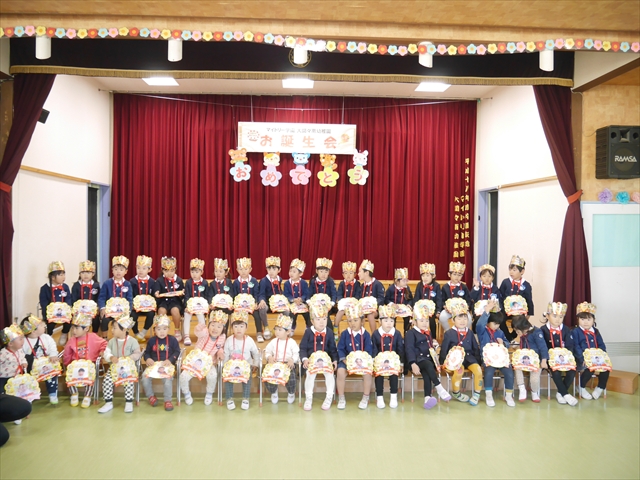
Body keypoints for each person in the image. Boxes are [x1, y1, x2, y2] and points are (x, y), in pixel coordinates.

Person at [405, 301, 451, 409]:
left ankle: (427, 398)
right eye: (421, 320)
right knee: (428, 365)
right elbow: (409, 349)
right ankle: (439, 388)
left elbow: (429, 348)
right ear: (414, 321)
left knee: (427, 374)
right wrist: (412, 363)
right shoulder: (411, 333)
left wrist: (434, 347)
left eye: (426, 320)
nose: (425, 323)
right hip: (416, 360)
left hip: (426, 360)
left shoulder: (428, 332)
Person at [439, 299, 483, 405]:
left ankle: (477, 394)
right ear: (453, 320)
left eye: (465, 318)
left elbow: (475, 348)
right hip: (456, 360)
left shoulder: (470, 333)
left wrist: (479, 362)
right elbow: (444, 349)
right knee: (459, 372)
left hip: (470, 358)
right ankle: (456, 393)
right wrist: (442, 362)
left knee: (478, 371)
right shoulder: (449, 333)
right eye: (459, 318)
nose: (462, 321)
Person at [180, 310, 227, 406]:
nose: (215, 329)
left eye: (219, 327)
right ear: (208, 325)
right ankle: (186, 393)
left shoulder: (222, 337)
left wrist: (220, 353)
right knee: (183, 376)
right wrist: (199, 328)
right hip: (194, 362)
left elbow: (220, 347)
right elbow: (198, 332)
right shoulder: (205, 332)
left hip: (209, 363)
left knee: (213, 375)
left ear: (223, 329)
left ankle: (209, 393)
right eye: (213, 325)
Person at [475, 299, 516, 407]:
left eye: (498, 324)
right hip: (488, 359)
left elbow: (507, 343)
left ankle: (508, 395)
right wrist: (487, 311)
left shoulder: (500, 332)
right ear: (488, 322)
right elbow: (479, 324)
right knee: (488, 372)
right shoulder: (482, 331)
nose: (496, 326)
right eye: (494, 324)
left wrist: (504, 343)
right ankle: (489, 395)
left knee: (509, 372)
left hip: (501, 359)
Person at [98, 316, 142, 414]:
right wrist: (111, 357)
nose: (112, 330)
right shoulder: (111, 342)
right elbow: (106, 353)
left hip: (128, 369)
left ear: (124, 329)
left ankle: (129, 402)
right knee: (107, 381)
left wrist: (129, 358)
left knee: (129, 381)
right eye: (112, 328)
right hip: (114, 369)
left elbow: (137, 354)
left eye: (114, 328)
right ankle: (108, 403)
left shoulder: (133, 341)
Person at [63, 313, 107, 408]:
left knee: (91, 375)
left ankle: (87, 396)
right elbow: (67, 353)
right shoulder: (71, 340)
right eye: (73, 328)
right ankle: (74, 394)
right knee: (70, 374)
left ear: (86, 328)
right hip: (76, 365)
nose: (74, 331)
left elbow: (104, 343)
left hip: (90, 364)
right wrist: (67, 364)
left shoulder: (93, 337)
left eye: (77, 328)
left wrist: (102, 350)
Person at [300, 304, 338, 411]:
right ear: (312, 321)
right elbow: (302, 348)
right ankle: (308, 398)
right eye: (318, 319)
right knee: (310, 374)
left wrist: (334, 360)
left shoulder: (329, 332)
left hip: (326, 362)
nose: (322, 322)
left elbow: (333, 349)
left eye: (324, 319)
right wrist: (305, 359)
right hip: (311, 362)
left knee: (329, 374)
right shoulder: (308, 332)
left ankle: (329, 397)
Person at [540, 302, 578, 406]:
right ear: (547, 316)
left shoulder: (566, 329)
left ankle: (560, 393)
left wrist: (568, 357)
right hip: (550, 359)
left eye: (561, 317)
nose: (558, 319)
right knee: (555, 371)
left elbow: (570, 345)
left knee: (572, 370)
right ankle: (566, 394)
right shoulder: (543, 330)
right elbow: (542, 347)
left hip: (565, 358)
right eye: (554, 316)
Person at [336, 305, 373, 410]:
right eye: (350, 321)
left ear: (362, 321)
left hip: (362, 362)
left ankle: (365, 397)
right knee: (340, 372)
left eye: (356, 320)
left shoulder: (366, 335)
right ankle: (341, 397)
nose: (352, 323)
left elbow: (369, 350)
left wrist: (364, 361)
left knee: (368, 373)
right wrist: (344, 360)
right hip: (347, 361)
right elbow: (340, 348)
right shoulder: (345, 334)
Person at [141, 314, 180, 411]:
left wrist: (170, 360)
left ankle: (167, 400)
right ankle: (151, 396)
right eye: (158, 329)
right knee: (144, 377)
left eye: (164, 329)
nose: (162, 331)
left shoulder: (172, 340)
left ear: (168, 329)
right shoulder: (151, 341)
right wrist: (147, 359)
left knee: (167, 380)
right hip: (154, 366)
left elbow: (177, 351)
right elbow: (147, 353)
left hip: (167, 365)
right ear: (154, 330)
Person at [572, 302, 609, 400]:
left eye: (589, 319)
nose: (586, 322)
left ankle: (600, 387)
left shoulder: (596, 332)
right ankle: (581, 386)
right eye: (582, 319)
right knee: (589, 367)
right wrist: (582, 358)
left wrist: (603, 357)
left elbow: (601, 345)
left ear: (593, 320)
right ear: (578, 319)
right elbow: (576, 346)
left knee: (606, 368)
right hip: (582, 360)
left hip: (597, 358)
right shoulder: (575, 332)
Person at [223, 311, 260, 410]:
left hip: (246, 366)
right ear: (232, 328)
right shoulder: (229, 340)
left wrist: (255, 364)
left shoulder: (249, 340)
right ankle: (229, 398)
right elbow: (226, 354)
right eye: (235, 326)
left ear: (246, 328)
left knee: (248, 376)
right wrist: (225, 366)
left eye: (241, 326)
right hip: (232, 367)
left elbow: (256, 353)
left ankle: (245, 398)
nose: (238, 329)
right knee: (227, 376)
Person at [511, 308, 549, 403]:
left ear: (524, 328)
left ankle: (534, 392)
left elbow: (543, 347)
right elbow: (519, 345)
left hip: (536, 361)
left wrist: (544, 360)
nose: (517, 333)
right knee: (517, 368)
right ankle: (522, 389)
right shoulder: (522, 334)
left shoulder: (536, 332)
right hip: (524, 360)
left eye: (517, 331)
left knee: (534, 379)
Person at [20, 315, 59, 404]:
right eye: (41, 325)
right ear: (33, 331)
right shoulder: (24, 341)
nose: (44, 325)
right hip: (32, 367)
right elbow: (20, 354)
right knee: (27, 379)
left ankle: (52, 393)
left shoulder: (46, 337)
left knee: (52, 374)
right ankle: (30, 395)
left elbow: (52, 347)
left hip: (46, 365)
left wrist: (53, 355)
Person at [371, 305, 405, 409]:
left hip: (393, 363)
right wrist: (374, 361)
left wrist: (401, 363)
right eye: (386, 320)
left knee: (394, 374)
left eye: (391, 320)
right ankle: (380, 397)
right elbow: (374, 349)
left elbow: (400, 349)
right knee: (379, 375)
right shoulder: (376, 334)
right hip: (379, 363)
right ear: (380, 321)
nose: (389, 323)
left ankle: (393, 396)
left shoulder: (397, 334)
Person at [264, 314, 300, 404]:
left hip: (287, 364)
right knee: (267, 375)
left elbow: (296, 353)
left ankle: (291, 393)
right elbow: (267, 351)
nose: (277, 332)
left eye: (280, 330)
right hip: (275, 363)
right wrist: (269, 357)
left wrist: (292, 360)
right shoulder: (273, 341)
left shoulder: (292, 342)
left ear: (288, 332)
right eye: (276, 329)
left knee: (291, 377)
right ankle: (274, 392)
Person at [499, 255, 534, 341]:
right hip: (505, 310)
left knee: (518, 322)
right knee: (500, 320)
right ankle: (508, 337)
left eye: (514, 270)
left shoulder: (526, 285)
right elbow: (500, 295)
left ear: (522, 271)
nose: (511, 272)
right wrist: (500, 308)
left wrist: (529, 314)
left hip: (519, 311)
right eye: (510, 269)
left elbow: (529, 300)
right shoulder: (506, 282)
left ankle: (513, 336)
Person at [98, 255, 133, 339]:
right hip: (109, 311)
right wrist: (102, 308)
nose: (118, 272)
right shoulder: (107, 283)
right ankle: (105, 339)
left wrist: (128, 310)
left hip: (122, 311)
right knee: (104, 320)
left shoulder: (127, 284)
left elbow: (130, 298)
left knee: (126, 321)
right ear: (112, 270)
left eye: (121, 269)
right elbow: (101, 297)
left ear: (126, 271)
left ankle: (124, 338)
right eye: (116, 269)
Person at [39, 261, 73, 342]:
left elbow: (68, 298)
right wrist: (50, 311)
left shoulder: (65, 287)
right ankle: (49, 338)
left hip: (63, 312)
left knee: (69, 321)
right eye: (60, 275)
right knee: (50, 325)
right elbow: (43, 303)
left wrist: (67, 307)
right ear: (53, 277)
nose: (63, 277)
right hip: (51, 314)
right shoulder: (44, 288)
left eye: (64, 274)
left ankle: (64, 333)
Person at [154, 256, 185, 343]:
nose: (169, 273)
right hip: (163, 301)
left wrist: (182, 293)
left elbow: (182, 292)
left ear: (175, 270)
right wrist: (156, 293)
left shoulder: (178, 280)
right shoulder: (159, 280)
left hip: (175, 302)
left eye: (172, 270)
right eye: (166, 271)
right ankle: (160, 330)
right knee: (161, 311)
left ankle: (177, 330)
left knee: (175, 310)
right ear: (162, 270)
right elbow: (156, 290)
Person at [231, 257, 263, 342]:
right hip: (239, 306)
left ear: (250, 269)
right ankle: (237, 333)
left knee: (257, 314)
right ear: (237, 270)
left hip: (251, 306)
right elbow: (234, 295)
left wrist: (256, 303)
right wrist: (234, 305)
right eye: (241, 269)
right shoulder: (236, 282)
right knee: (237, 316)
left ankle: (259, 333)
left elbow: (256, 293)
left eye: (245, 269)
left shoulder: (254, 281)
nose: (243, 271)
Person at [439, 262, 472, 333]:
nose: (457, 277)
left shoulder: (464, 287)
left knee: (469, 318)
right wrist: (444, 306)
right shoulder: (445, 287)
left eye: (459, 275)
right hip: (449, 310)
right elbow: (442, 299)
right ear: (449, 274)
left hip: (462, 311)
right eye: (454, 274)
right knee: (442, 317)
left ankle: (464, 332)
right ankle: (449, 332)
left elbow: (468, 300)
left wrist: (466, 307)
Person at [183, 258, 210, 346]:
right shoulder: (188, 282)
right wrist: (187, 306)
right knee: (187, 315)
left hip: (200, 307)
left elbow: (206, 295)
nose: (194, 274)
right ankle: (186, 336)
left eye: (197, 272)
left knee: (201, 315)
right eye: (192, 272)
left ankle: (202, 335)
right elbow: (186, 295)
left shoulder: (204, 283)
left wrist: (206, 306)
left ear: (201, 272)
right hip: (191, 306)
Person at [130, 255, 156, 342]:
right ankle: (136, 333)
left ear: (149, 270)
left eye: (144, 268)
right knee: (132, 316)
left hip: (148, 307)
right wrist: (133, 305)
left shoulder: (152, 282)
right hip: (136, 308)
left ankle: (143, 332)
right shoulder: (132, 281)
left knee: (151, 314)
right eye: (138, 268)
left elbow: (154, 296)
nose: (140, 270)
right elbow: (130, 295)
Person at [71, 260, 101, 334]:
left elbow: (98, 298)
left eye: (88, 273)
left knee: (96, 320)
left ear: (93, 274)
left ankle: (94, 334)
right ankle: (77, 334)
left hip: (92, 311)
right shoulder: (76, 285)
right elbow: (73, 299)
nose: (85, 275)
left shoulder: (96, 285)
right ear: (80, 274)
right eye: (83, 273)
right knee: (76, 320)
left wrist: (97, 308)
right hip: (79, 311)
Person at [257, 256, 283, 341]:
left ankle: (276, 328)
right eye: (269, 269)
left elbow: (281, 292)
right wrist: (262, 300)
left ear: (279, 270)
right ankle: (266, 326)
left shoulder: (280, 280)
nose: (271, 271)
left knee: (287, 311)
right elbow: (261, 293)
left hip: (278, 303)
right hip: (267, 303)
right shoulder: (264, 281)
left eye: (274, 269)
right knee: (262, 307)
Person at [309, 258, 337, 331]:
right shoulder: (313, 281)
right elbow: (309, 293)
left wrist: (332, 303)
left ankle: (330, 332)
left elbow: (334, 293)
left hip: (327, 306)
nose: (323, 274)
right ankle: (313, 331)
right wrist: (309, 301)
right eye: (321, 271)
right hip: (315, 306)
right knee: (313, 315)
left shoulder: (330, 281)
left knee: (326, 317)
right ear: (317, 271)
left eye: (326, 272)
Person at [413, 263, 442, 334]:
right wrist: (415, 309)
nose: (425, 278)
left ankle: (433, 337)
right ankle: (419, 335)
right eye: (423, 276)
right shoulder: (419, 285)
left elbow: (439, 299)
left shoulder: (436, 286)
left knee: (431, 321)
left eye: (427, 275)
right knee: (418, 319)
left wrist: (438, 311)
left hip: (432, 311)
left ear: (433, 276)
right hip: (420, 309)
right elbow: (416, 298)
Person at [284, 259, 310, 337]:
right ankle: (292, 327)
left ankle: (308, 327)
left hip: (302, 303)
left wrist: (301, 299)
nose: (291, 273)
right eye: (290, 271)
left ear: (300, 273)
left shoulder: (304, 283)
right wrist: (293, 299)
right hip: (292, 303)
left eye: (294, 272)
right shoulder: (287, 283)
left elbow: (306, 293)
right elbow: (286, 294)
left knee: (307, 313)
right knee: (292, 314)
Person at [0, 326, 28, 399]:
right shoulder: (3, 353)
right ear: (10, 344)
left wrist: (24, 362)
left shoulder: (20, 350)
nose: (23, 341)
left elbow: (22, 358)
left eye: (23, 338)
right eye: (20, 339)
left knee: (15, 393)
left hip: (16, 377)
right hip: (4, 378)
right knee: (4, 394)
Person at [334, 262, 362, 333]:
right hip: (344, 305)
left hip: (353, 305)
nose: (348, 275)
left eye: (351, 273)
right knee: (340, 312)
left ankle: (355, 330)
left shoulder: (357, 284)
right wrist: (341, 301)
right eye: (346, 273)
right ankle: (336, 328)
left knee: (355, 313)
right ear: (343, 275)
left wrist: (353, 302)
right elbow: (339, 294)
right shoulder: (342, 284)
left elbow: (358, 295)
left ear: (355, 274)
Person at [209, 258, 234, 335]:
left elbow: (231, 294)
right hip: (215, 307)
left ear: (226, 272)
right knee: (213, 313)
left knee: (224, 313)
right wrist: (210, 304)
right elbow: (210, 295)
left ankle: (223, 334)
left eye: (220, 271)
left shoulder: (229, 282)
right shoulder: (212, 283)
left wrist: (230, 304)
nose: (218, 273)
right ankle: (213, 334)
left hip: (226, 307)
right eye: (216, 271)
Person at [358, 259, 385, 332]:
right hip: (363, 309)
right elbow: (359, 298)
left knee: (370, 315)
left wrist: (373, 305)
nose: (358, 274)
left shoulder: (377, 284)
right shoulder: (362, 286)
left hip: (375, 309)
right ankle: (360, 334)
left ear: (366, 273)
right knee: (358, 315)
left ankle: (374, 334)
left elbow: (381, 298)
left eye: (360, 271)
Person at [384, 267, 414, 333]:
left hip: (404, 309)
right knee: (391, 318)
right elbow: (386, 299)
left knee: (407, 317)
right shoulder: (391, 288)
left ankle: (406, 333)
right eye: (403, 280)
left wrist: (409, 304)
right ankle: (393, 333)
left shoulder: (407, 288)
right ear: (397, 281)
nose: (406, 282)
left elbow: (411, 299)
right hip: (394, 309)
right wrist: (392, 304)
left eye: (406, 280)